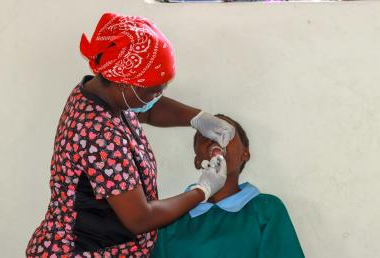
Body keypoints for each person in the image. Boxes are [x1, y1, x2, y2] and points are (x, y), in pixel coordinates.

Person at [26, 13, 236, 257]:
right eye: (154, 91)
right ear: (124, 85)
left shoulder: (101, 95)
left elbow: (147, 110)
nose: (157, 97)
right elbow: (140, 218)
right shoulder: (98, 134)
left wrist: (198, 118)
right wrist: (203, 190)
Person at [152, 114, 305, 258]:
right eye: (206, 135)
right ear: (198, 161)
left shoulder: (265, 209)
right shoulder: (173, 216)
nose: (216, 138)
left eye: (226, 133)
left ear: (244, 154)